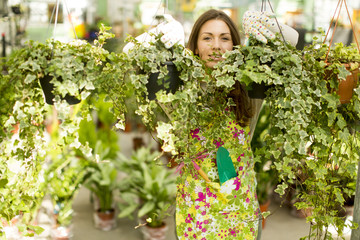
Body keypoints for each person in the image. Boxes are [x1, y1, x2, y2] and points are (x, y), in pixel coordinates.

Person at [124, 9, 298, 240]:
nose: (216, 46)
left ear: (235, 46)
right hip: (196, 213)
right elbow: (129, 53)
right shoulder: (179, 89)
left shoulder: (248, 86)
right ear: (195, 46)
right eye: (207, 37)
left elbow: (293, 41)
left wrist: (267, 24)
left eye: (224, 38)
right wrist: (160, 34)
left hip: (241, 211)